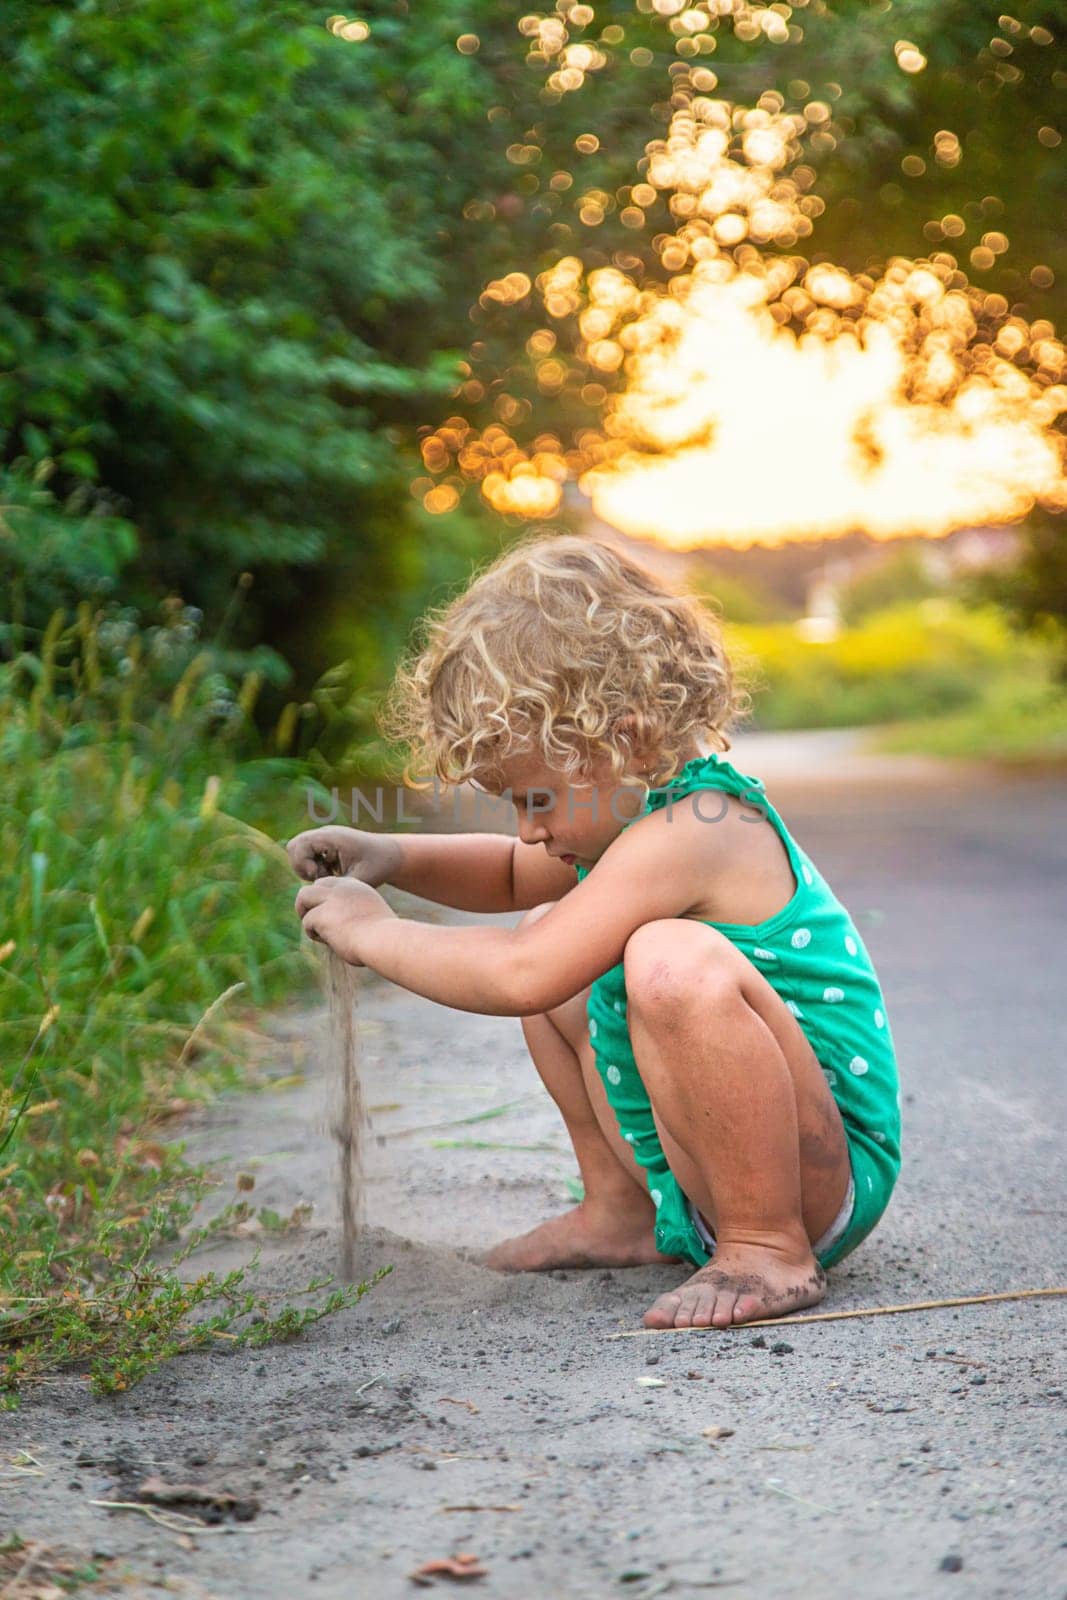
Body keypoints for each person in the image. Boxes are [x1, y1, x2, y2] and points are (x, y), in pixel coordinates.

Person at [288, 534, 900, 1329]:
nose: (528, 829)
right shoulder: (625, 815)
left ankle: (763, 1246)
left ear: (627, 739)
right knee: (555, 920)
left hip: (814, 1171)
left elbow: (522, 973)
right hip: (704, 1165)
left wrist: (372, 932)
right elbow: (511, 875)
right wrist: (392, 855)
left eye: (534, 799)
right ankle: (621, 1212)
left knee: (662, 959)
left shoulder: (700, 827)